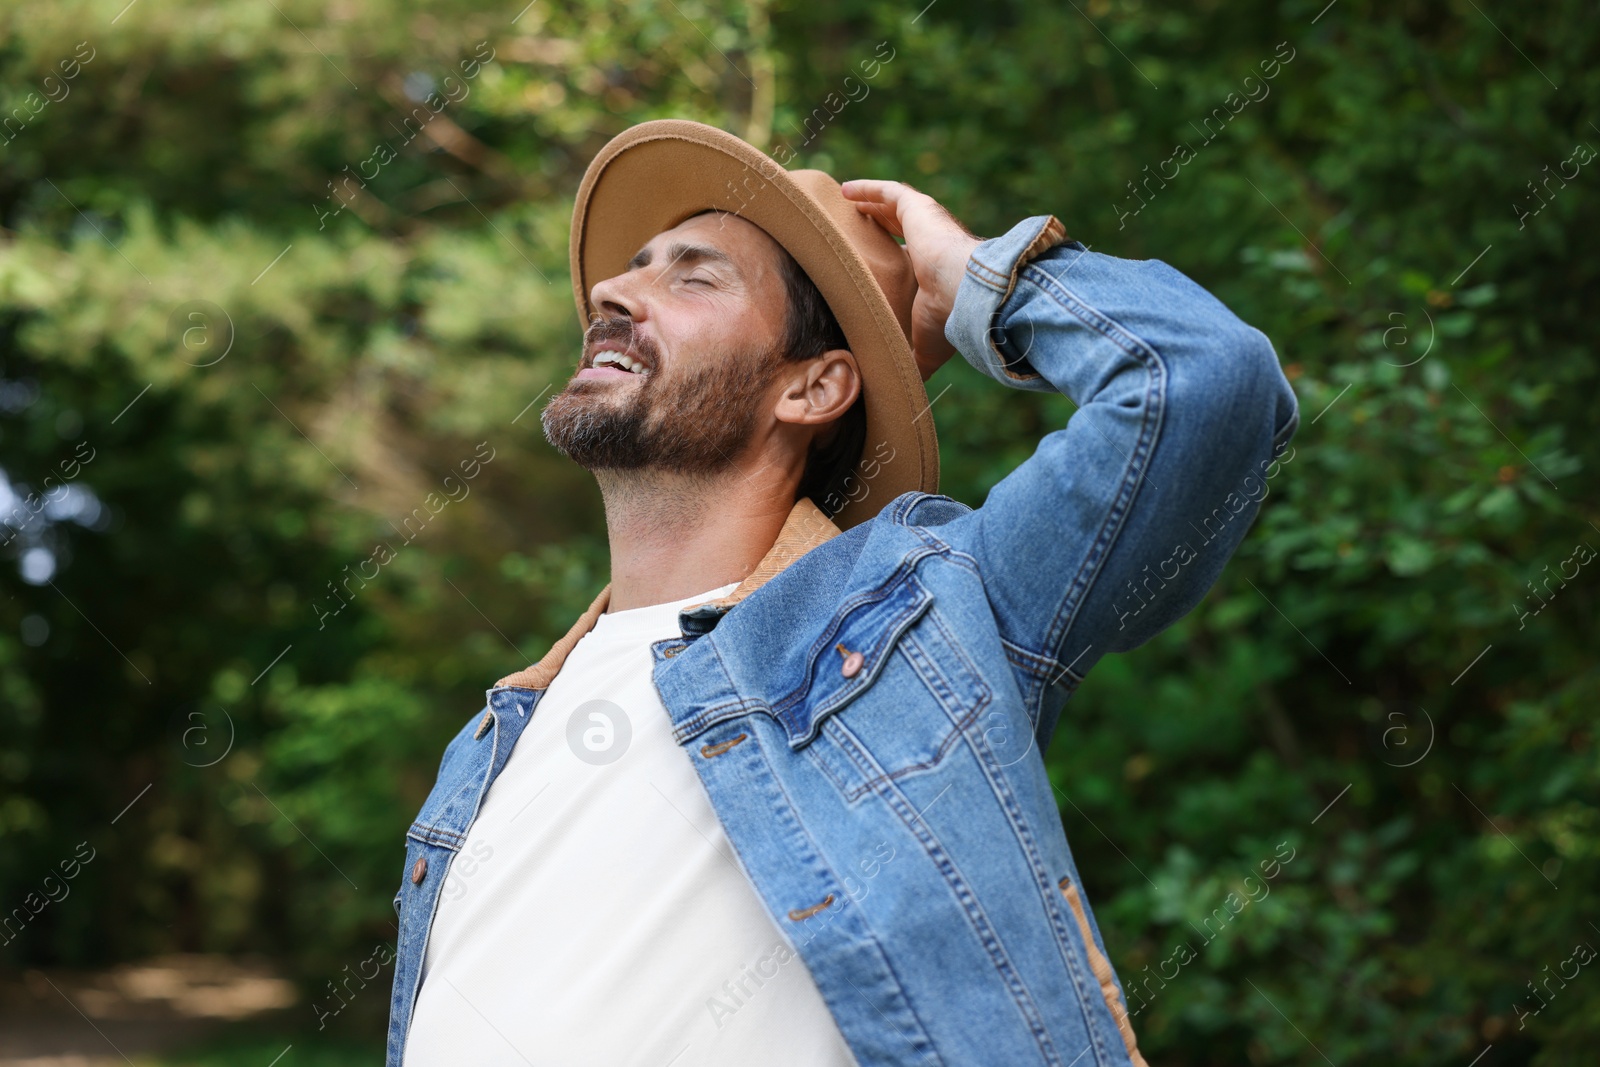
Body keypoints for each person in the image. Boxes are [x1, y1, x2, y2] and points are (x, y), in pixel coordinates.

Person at [387, 119, 1299, 1067]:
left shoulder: (927, 617)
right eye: (635, 266)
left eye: (692, 276)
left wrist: (980, 280)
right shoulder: (502, 732)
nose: (613, 290)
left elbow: (1200, 379)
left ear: (814, 388)